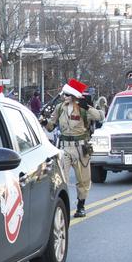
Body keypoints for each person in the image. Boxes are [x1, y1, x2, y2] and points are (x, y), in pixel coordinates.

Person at [44, 78, 104, 217]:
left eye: (67, 95)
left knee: (83, 179)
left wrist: (87, 107)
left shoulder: (83, 108)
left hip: (80, 147)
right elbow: (51, 126)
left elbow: (99, 117)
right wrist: (44, 122)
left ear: (73, 96)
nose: (64, 97)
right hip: (65, 147)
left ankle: (81, 206)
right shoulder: (60, 108)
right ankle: (60, 207)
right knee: (61, 179)